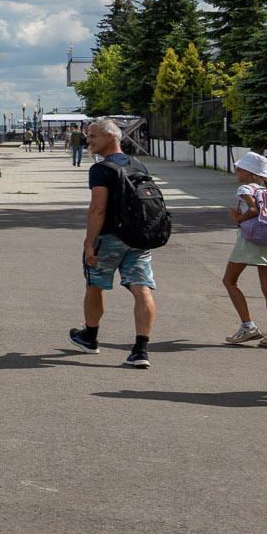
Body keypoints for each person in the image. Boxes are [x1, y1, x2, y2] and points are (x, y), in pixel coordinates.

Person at [69, 117, 156, 369]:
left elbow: (98, 209)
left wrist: (89, 243)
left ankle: (90, 338)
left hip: (108, 238)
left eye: (94, 136)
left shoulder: (101, 169)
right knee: (142, 288)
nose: (89, 140)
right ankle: (140, 350)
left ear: (110, 137)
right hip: (138, 238)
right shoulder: (139, 164)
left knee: (95, 285)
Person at [222, 151, 267, 348]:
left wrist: (237, 218)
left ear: (249, 172)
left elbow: (253, 210)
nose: (236, 171)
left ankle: (248, 326)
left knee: (229, 280)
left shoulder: (245, 188)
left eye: (239, 168)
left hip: (249, 240)